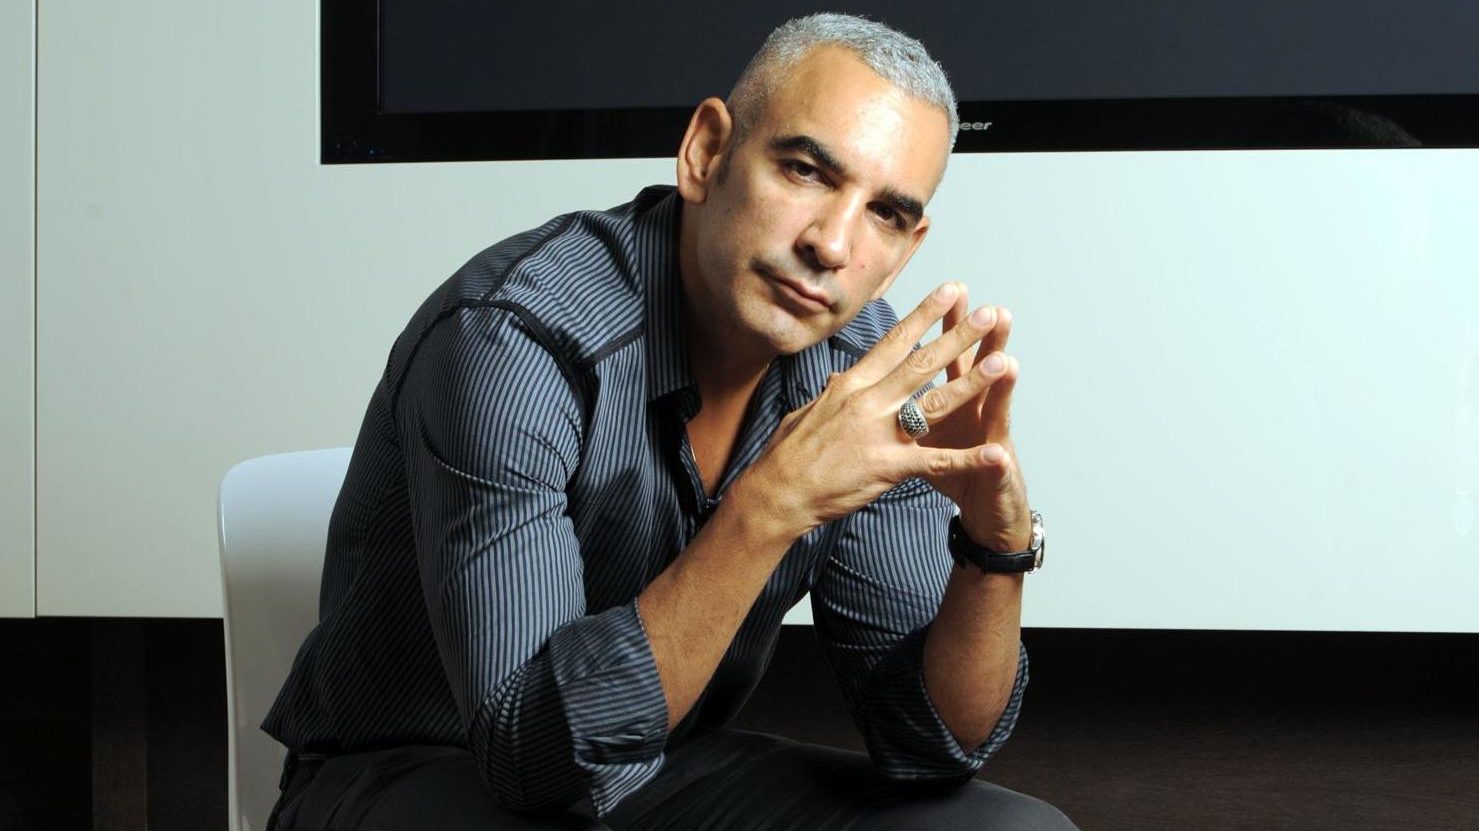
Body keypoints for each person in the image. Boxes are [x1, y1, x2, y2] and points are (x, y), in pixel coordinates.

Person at [264, 13, 1076, 830]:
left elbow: (929, 744)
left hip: (656, 767)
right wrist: (771, 504)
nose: (832, 244)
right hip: (410, 774)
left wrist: (992, 547)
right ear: (705, 152)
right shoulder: (512, 335)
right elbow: (530, 758)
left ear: (907, 248)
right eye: (804, 171)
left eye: (885, 214)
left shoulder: (858, 373)